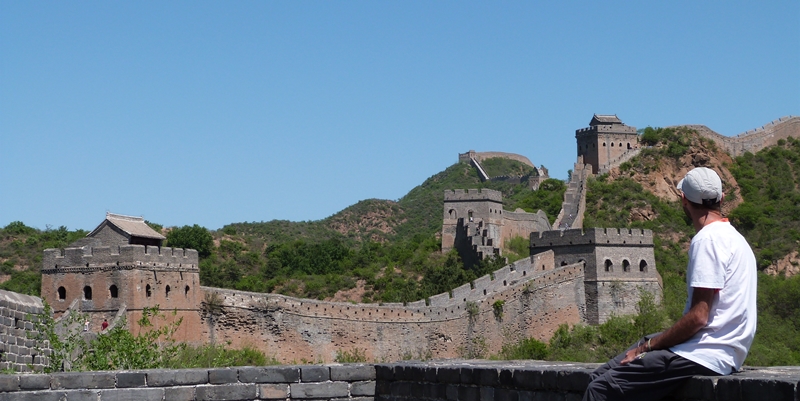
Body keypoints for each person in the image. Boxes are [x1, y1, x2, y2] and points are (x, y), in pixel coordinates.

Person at [583, 167, 757, 401]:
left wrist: (647, 348)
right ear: (722, 198)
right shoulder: (737, 238)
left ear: (684, 201)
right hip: (725, 350)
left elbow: (699, 317)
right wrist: (648, 344)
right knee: (600, 376)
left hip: (706, 352)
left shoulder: (708, 239)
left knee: (601, 390)